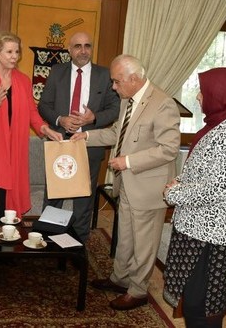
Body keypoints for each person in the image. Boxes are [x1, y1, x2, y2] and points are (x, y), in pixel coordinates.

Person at [71, 54, 180, 311]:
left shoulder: (163, 104)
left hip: (148, 188)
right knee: (126, 237)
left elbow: (169, 148)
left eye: (117, 81)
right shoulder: (127, 101)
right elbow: (116, 133)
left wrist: (128, 161)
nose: (113, 87)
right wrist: (87, 136)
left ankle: (138, 291)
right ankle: (119, 279)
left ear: (134, 78)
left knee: (144, 243)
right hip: (128, 184)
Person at [163, 67, 226, 328]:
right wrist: (180, 181)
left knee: (203, 307)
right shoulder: (221, 123)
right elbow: (201, 169)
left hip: (215, 234)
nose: (198, 97)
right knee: (195, 301)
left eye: (203, 91)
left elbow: (216, 188)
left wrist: (174, 193)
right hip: (200, 229)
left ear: (221, 95)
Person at [0, 32, 63, 218]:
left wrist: (46, 129)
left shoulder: (23, 80)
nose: (14, 56)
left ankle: (5, 235)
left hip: (13, 151)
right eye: (9, 52)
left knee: (7, 212)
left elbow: (32, 113)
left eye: (17, 52)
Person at [38, 31, 120, 242]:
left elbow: (115, 108)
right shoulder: (57, 72)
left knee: (84, 199)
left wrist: (94, 118)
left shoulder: (104, 75)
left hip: (89, 144)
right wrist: (60, 120)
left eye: (87, 46)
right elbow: (43, 105)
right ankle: (49, 242)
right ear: (69, 50)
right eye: (78, 46)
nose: (83, 51)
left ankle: (78, 244)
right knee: (54, 196)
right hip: (60, 143)